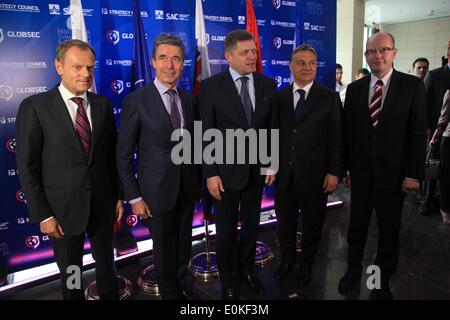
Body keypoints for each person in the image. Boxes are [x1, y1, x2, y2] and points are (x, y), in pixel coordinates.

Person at [15, 39, 123, 300]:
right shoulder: (35, 107)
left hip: (102, 205)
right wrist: (43, 215)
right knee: (72, 272)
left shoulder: (102, 105)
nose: (85, 74)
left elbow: (110, 157)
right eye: (77, 67)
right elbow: (28, 167)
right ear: (58, 67)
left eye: (89, 68)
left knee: (107, 266)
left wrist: (117, 195)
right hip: (61, 212)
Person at [339, 32, 427, 300]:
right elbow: (348, 134)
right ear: (365, 55)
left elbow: (417, 132)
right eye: (371, 51)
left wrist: (414, 173)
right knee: (357, 229)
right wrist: (346, 170)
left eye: (384, 50)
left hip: (395, 177)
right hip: (362, 176)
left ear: (394, 52)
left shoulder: (412, 86)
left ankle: (379, 281)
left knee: (388, 233)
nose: (377, 56)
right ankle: (353, 272)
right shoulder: (354, 89)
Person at [116, 34, 199, 300]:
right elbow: (124, 155)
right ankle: (169, 293)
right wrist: (135, 197)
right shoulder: (137, 100)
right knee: (164, 250)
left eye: (176, 58)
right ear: (153, 62)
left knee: (184, 247)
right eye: (163, 58)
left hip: (186, 189)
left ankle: (180, 283)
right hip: (155, 194)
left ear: (183, 63)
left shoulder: (188, 99)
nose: (169, 65)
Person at [198, 30, 277, 300]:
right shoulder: (210, 87)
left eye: (254, 51)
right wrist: (210, 174)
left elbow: (270, 127)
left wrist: (271, 162)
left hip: (255, 173)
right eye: (245, 52)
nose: (252, 56)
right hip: (224, 175)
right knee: (227, 233)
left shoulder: (267, 85)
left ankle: (249, 273)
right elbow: (204, 132)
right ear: (228, 56)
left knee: (252, 227)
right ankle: (229, 280)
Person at [273, 44, 343, 286]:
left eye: (312, 63)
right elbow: (271, 134)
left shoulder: (329, 98)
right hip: (284, 176)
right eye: (301, 62)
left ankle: (307, 264)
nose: (307, 67)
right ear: (291, 66)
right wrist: (268, 166)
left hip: (316, 177)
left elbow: (337, 139)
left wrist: (334, 172)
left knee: (313, 226)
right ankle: (287, 260)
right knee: (285, 225)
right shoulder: (279, 97)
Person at [420, 41, 450, 215]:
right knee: (432, 166)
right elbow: (423, 104)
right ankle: (427, 200)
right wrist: (426, 128)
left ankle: (444, 201)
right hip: (436, 132)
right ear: (447, 53)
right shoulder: (435, 75)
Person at [430, 89, 450, 225]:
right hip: (449, 139)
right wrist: (435, 137)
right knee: (447, 175)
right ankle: (445, 209)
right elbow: (443, 118)